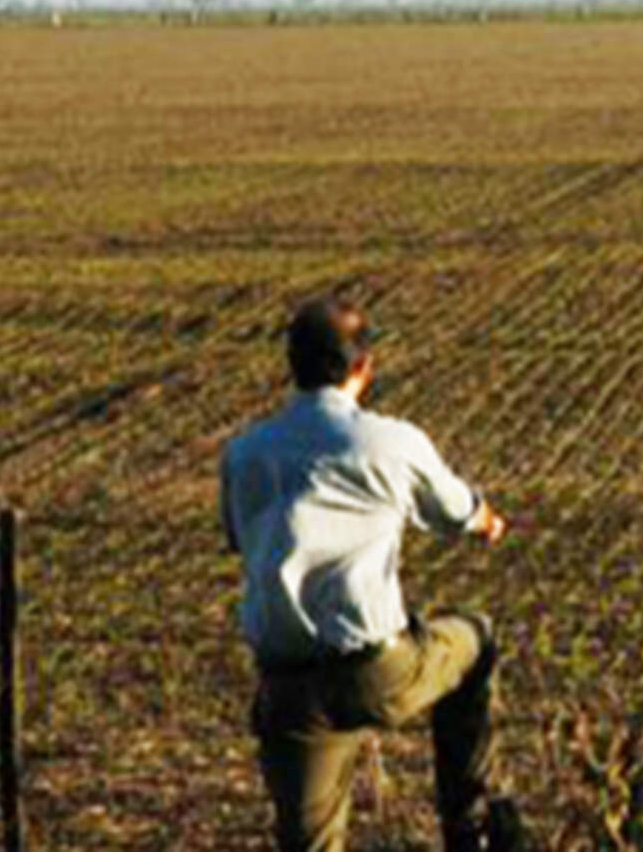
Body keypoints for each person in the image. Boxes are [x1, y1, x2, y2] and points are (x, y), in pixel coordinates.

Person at [219, 297, 514, 852]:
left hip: (286, 685)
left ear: (292, 366)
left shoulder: (243, 454)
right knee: (476, 642)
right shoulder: (391, 442)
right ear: (364, 368)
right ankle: (467, 828)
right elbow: (456, 511)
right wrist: (487, 520)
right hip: (375, 671)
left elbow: (239, 539)